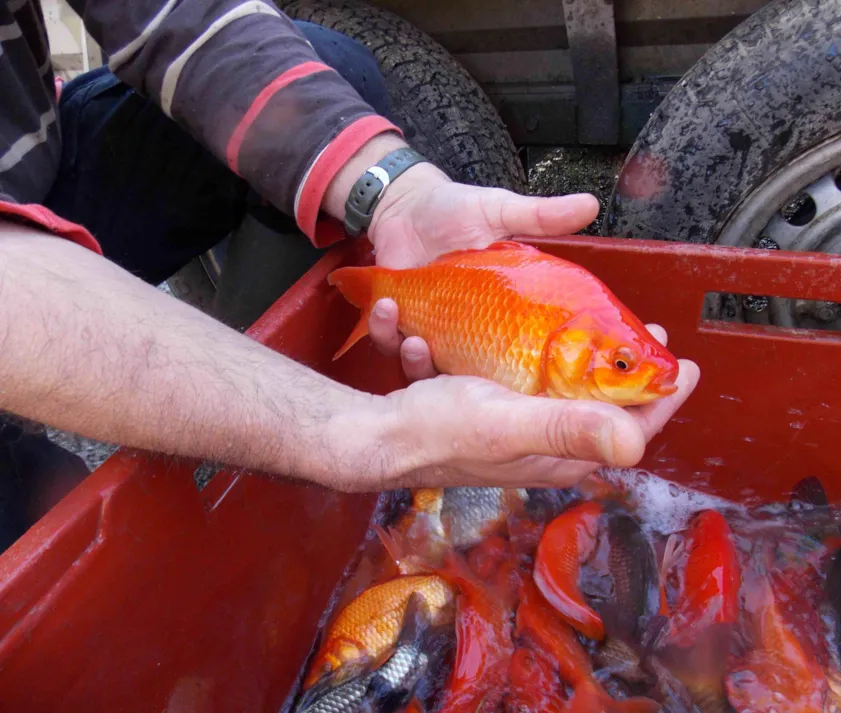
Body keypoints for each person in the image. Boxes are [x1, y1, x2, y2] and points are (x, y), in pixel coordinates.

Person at [0, 0, 699, 547]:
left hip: (42, 159)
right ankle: (229, 427)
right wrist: (352, 433)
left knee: (335, 62)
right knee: (61, 534)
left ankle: (234, 381)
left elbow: (185, 15)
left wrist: (396, 192)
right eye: (617, 362)